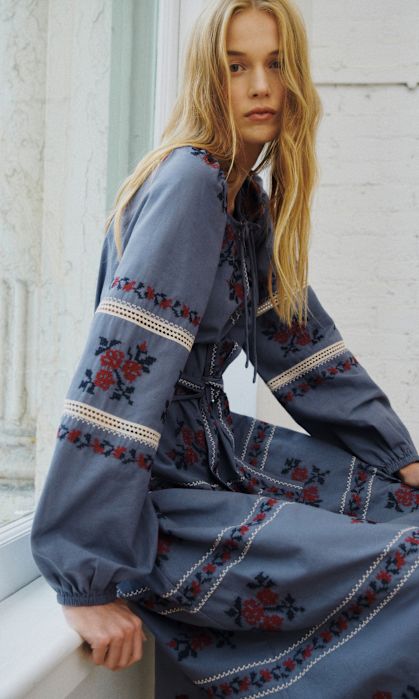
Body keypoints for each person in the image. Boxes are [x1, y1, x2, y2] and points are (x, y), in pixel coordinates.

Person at [31, 0, 419, 696]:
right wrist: (82, 575)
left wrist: (399, 457)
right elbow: (117, 378)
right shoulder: (191, 184)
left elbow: (301, 346)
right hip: (163, 496)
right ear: (206, 78)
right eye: (236, 67)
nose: (261, 86)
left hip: (217, 458)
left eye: (275, 64)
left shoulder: (243, 199)